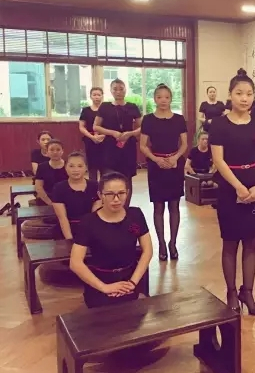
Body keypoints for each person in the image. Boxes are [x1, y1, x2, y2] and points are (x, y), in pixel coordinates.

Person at [210, 70, 255, 316]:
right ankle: (232, 292)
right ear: (230, 95)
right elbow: (218, 160)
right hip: (229, 187)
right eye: (239, 93)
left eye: (249, 94)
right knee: (231, 242)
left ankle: (248, 292)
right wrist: (239, 187)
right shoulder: (219, 124)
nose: (244, 98)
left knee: (252, 242)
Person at [70, 172, 153, 309]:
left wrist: (132, 282)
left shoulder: (135, 214)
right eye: (110, 194)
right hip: (101, 282)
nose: (116, 199)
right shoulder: (88, 222)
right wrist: (104, 287)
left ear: (127, 193)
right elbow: (75, 263)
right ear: (100, 195)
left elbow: (147, 250)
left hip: (130, 278)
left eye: (121, 193)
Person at [140, 84, 188, 261]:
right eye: (159, 97)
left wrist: (175, 158)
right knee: (158, 206)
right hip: (156, 165)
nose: (163, 100)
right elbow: (143, 145)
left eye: (166, 97)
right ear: (154, 99)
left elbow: (184, 144)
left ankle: (172, 243)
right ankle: (161, 243)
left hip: (175, 164)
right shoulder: (148, 120)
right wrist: (156, 159)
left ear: (171, 99)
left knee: (174, 206)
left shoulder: (179, 119)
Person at [93, 79, 142, 208]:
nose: (118, 92)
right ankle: (107, 208)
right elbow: (96, 126)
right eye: (115, 89)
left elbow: (142, 127)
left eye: (121, 89)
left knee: (126, 179)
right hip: (109, 147)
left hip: (127, 147)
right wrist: (112, 133)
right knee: (107, 178)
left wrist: (130, 133)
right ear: (110, 90)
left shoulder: (132, 106)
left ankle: (125, 210)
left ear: (125, 90)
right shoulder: (105, 106)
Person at [51, 152, 101, 240]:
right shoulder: (59, 188)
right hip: (66, 230)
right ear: (65, 167)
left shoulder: (95, 186)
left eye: (80, 166)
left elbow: (95, 216)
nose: (75, 170)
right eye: (71, 166)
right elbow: (62, 218)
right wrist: (69, 240)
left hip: (89, 228)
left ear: (86, 167)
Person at [79, 87, 106, 181]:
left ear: (102, 96)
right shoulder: (86, 110)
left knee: (105, 168)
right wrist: (92, 137)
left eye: (99, 95)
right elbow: (81, 126)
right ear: (90, 96)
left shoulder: (106, 109)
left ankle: (104, 187)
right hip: (90, 141)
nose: (96, 97)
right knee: (92, 168)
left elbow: (111, 126)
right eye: (94, 95)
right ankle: (92, 188)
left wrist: (103, 136)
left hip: (105, 141)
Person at [34, 139, 68, 206]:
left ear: (62, 151)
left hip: (66, 199)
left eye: (58, 150)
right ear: (47, 152)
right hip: (47, 199)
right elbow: (38, 187)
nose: (55, 152)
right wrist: (50, 203)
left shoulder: (69, 165)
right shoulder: (42, 167)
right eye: (52, 150)